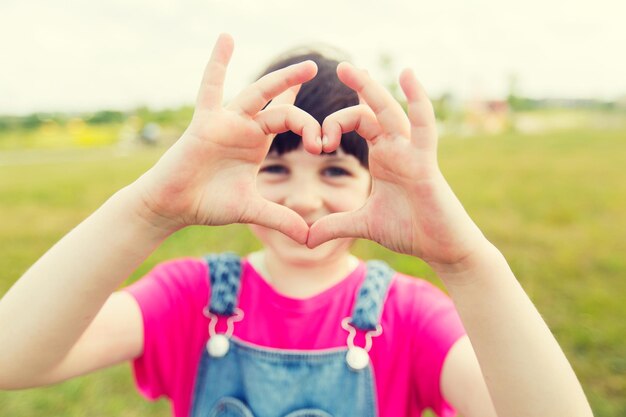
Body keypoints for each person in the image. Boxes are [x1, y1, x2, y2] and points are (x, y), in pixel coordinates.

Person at [0, 33, 593, 417]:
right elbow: (12, 359)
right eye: (276, 166)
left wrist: (467, 264)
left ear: (372, 181)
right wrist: (148, 209)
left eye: (335, 169)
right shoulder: (191, 298)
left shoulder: (409, 317)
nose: (304, 199)